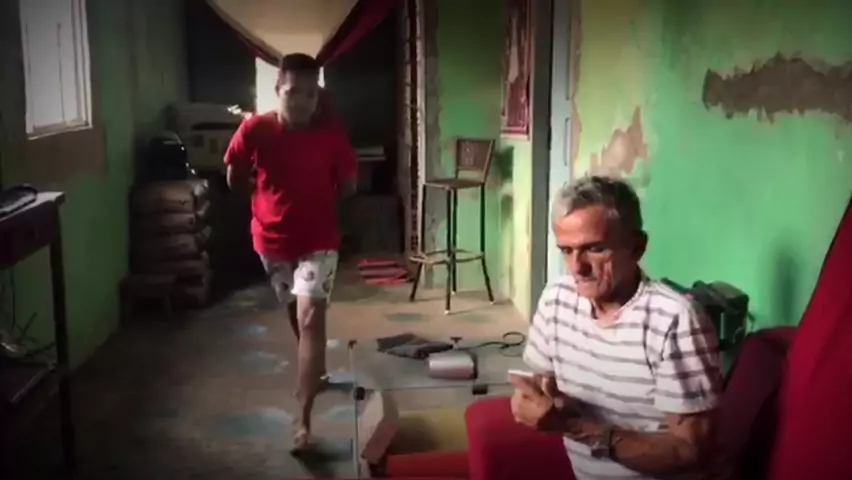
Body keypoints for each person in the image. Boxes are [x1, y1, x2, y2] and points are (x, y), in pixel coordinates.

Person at [510, 176, 723, 479]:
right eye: (567, 251)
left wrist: (572, 426)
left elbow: (689, 452)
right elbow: (542, 387)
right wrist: (538, 403)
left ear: (637, 247)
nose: (577, 268)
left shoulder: (675, 320)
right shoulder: (556, 298)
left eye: (595, 249)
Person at [223, 53, 358, 453]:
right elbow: (233, 175)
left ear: (319, 97)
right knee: (297, 315)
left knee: (310, 318)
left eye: (310, 94)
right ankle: (316, 371)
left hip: (319, 240)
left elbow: (350, 186)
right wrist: (262, 201)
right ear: (278, 89)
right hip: (272, 241)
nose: (301, 102)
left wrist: (320, 198)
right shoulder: (255, 129)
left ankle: (303, 421)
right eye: (293, 92)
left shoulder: (331, 134)